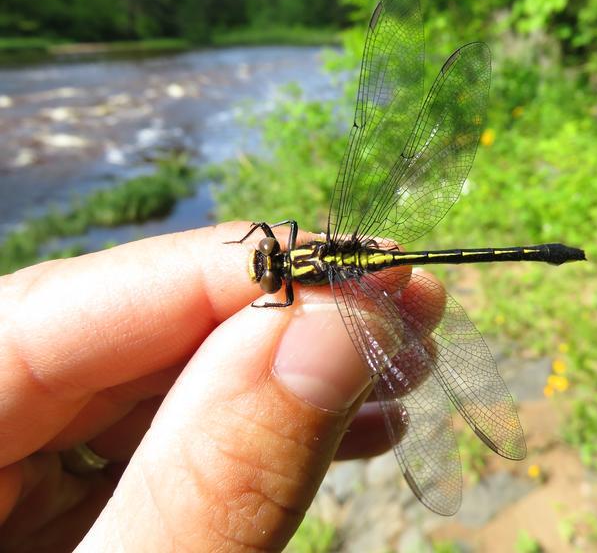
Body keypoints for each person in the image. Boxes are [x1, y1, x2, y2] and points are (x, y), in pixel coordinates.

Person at [0, 221, 442, 551]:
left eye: (268, 259)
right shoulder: (304, 257)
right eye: (266, 256)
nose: (263, 263)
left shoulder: (289, 288)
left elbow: (284, 307)